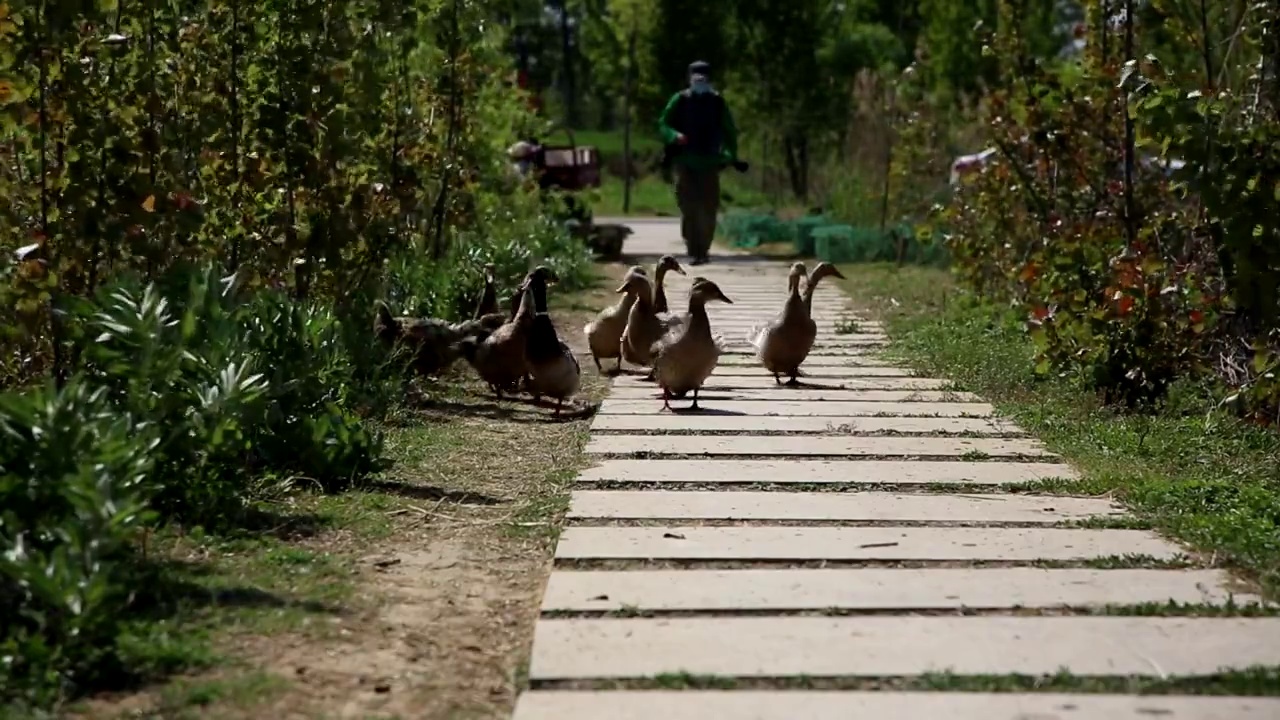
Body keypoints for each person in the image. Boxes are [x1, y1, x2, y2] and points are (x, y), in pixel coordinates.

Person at [657, 60, 739, 266]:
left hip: (710, 163)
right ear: (689, 77)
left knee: (708, 208)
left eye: (703, 76)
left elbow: (729, 131)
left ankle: (704, 249)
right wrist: (674, 135)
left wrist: (730, 155)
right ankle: (693, 248)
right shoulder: (680, 100)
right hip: (685, 162)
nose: (699, 80)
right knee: (689, 207)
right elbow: (663, 123)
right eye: (696, 75)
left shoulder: (717, 102)